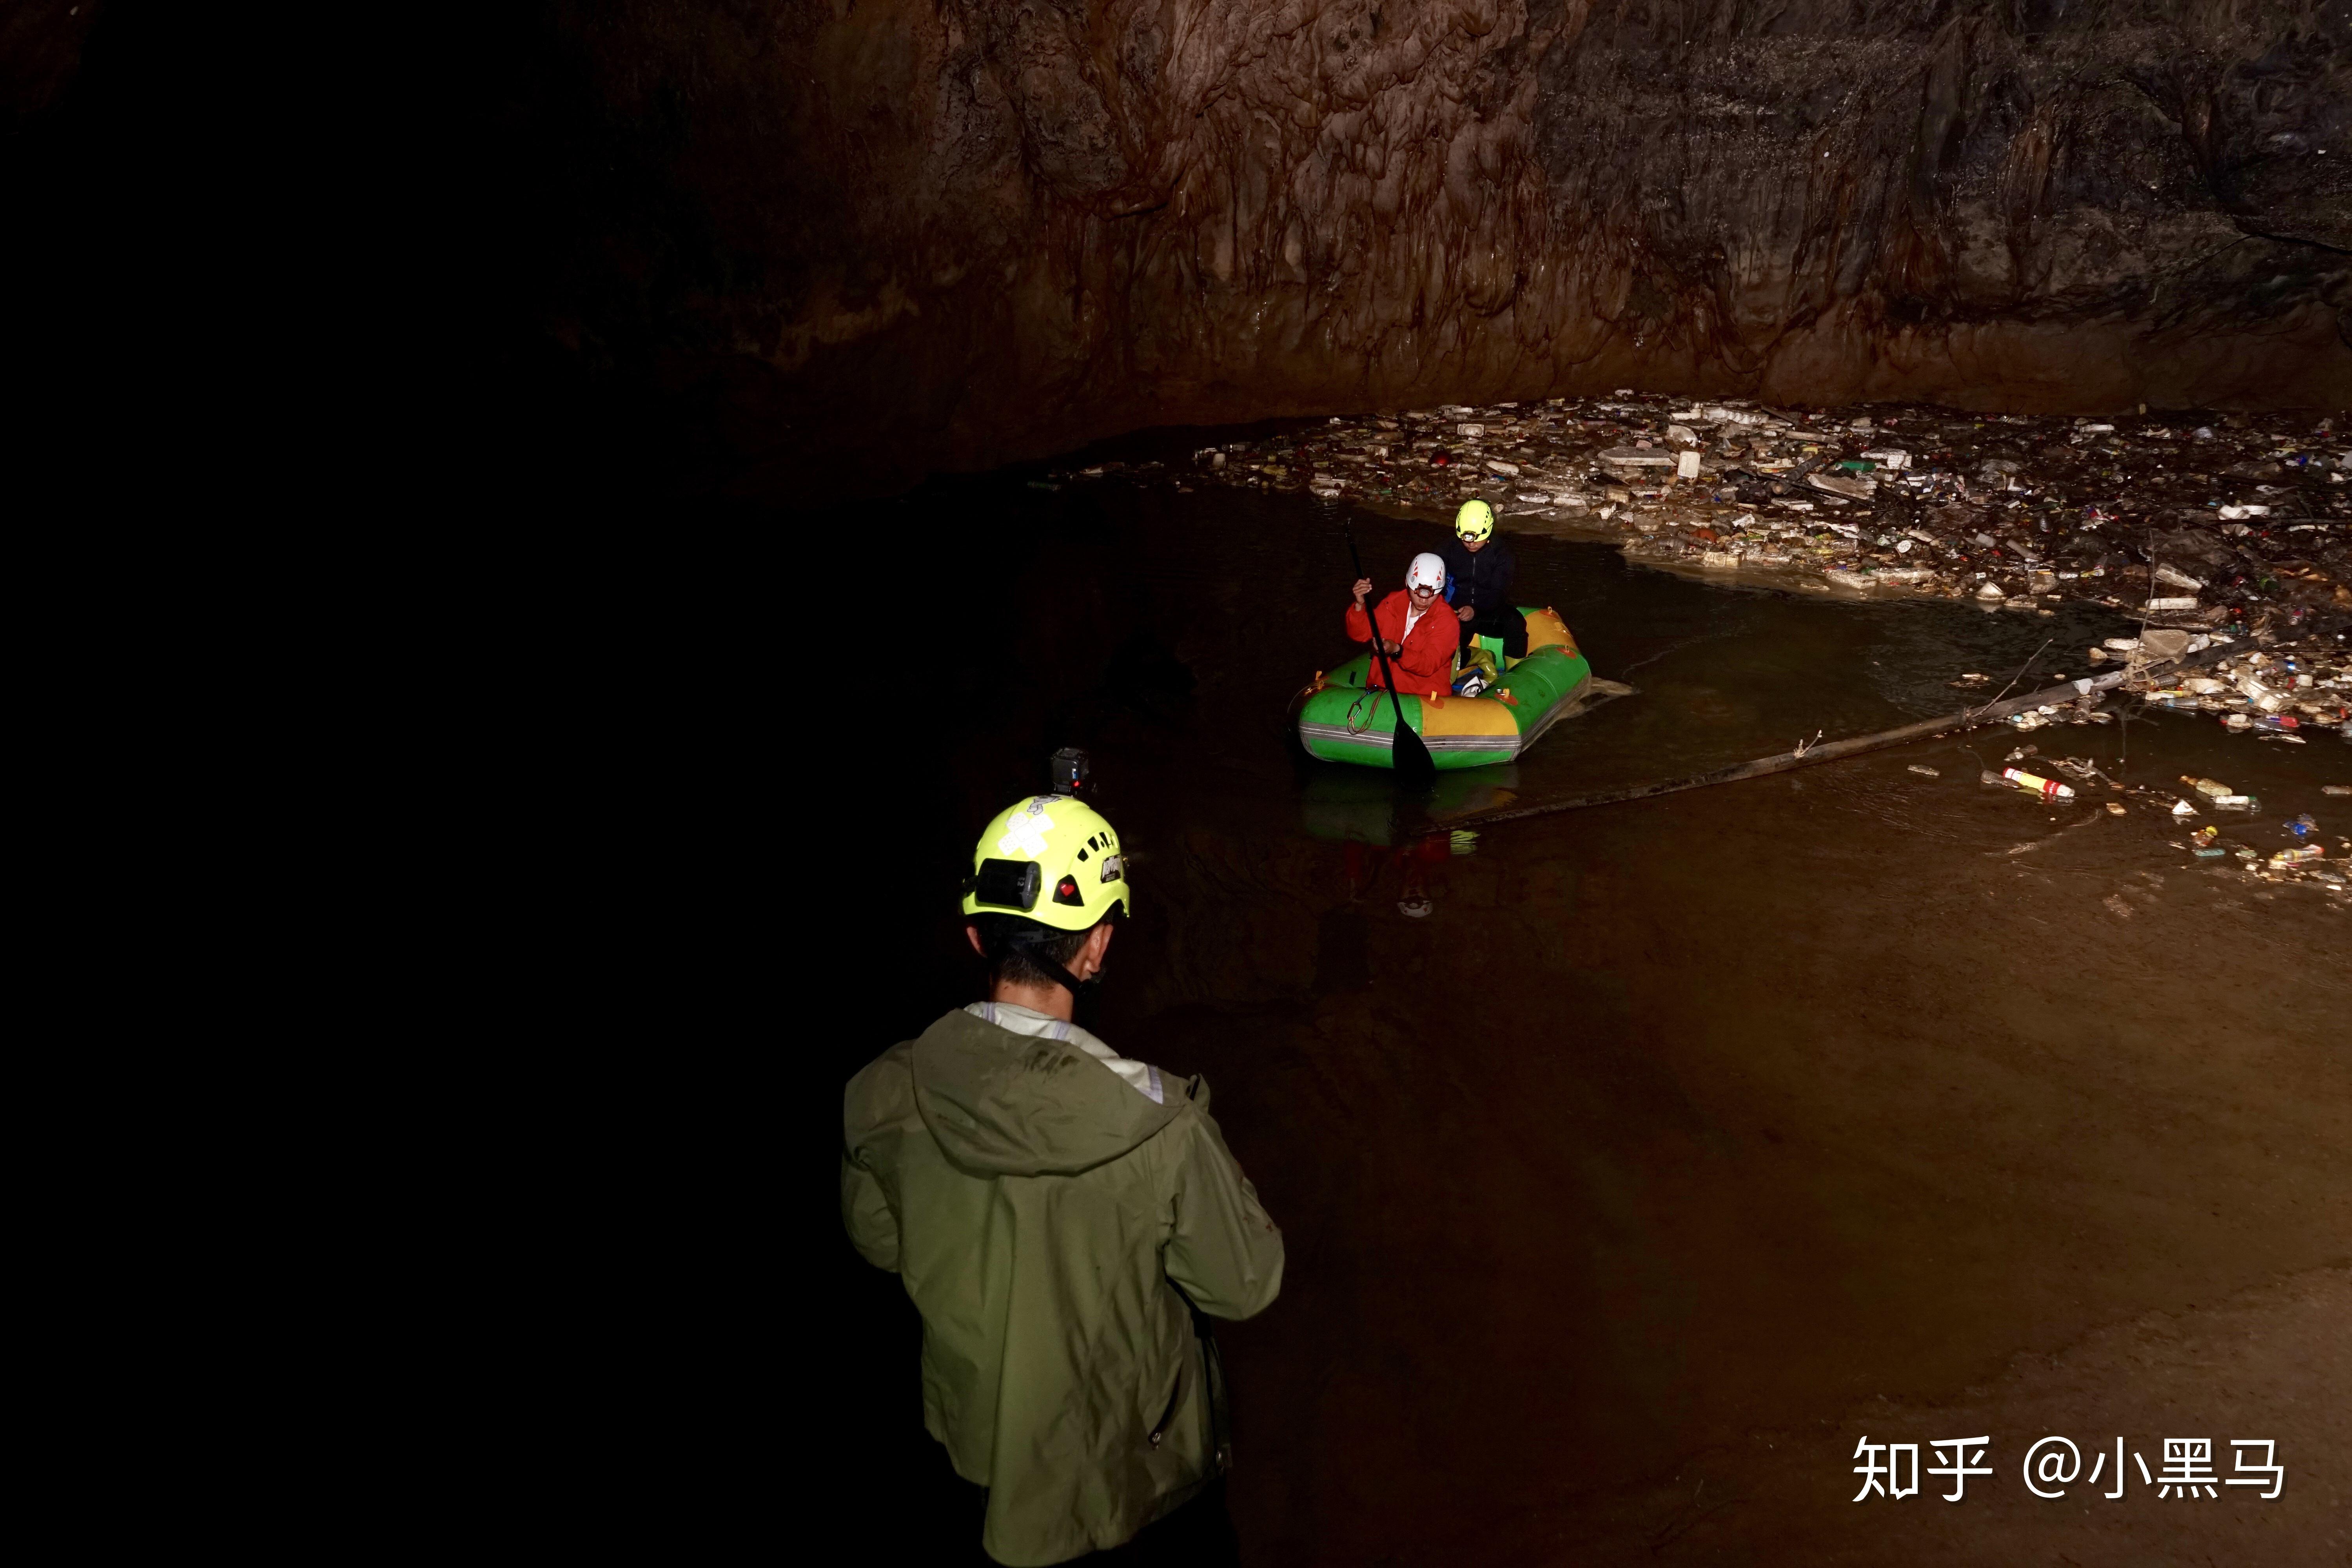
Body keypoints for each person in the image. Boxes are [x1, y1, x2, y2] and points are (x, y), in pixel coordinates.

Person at [841, 790, 1285, 1566]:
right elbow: (1247, 1283)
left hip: (973, 1456)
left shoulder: (881, 1094)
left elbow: (879, 1239)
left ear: (977, 936)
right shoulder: (1162, 1124)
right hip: (1129, 1488)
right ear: (1097, 946)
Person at [1347, 550, 1462, 697]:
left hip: (1422, 697)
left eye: (1431, 594)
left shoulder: (1447, 621)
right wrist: (1360, 605)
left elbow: (1428, 664)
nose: (1424, 600)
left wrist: (1398, 651)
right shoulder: (1393, 603)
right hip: (1382, 689)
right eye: (1417, 592)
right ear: (1407, 583)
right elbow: (1360, 634)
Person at [1438, 500, 1527, 658]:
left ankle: (1515, 673)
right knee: (1451, 643)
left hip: (1486, 611)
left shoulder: (1501, 554)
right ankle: (1475, 658)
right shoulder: (1448, 549)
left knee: (1515, 622)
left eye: (1476, 539)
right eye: (1465, 539)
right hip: (1456, 612)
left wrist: (1475, 610)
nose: (1470, 544)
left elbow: (1498, 592)